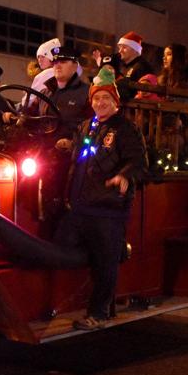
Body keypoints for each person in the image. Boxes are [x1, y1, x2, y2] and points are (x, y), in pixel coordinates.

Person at [54, 67, 148, 329]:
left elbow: (139, 162)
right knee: (62, 242)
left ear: (115, 101)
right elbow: (84, 153)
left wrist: (124, 177)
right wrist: (68, 146)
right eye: (96, 98)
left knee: (105, 261)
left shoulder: (126, 129)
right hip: (81, 206)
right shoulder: (87, 125)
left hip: (109, 209)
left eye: (105, 98)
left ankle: (100, 313)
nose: (100, 103)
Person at [39, 45, 91, 140]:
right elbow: (29, 113)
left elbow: (92, 127)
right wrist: (13, 116)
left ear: (75, 66)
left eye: (63, 62)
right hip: (40, 148)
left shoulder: (87, 93)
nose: (58, 66)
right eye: (55, 62)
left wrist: (72, 143)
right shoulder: (44, 93)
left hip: (68, 151)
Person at [114, 31, 154, 100]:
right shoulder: (122, 66)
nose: (120, 51)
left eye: (124, 47)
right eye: (119, 48)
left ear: (135, 49)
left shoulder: (142, 67)